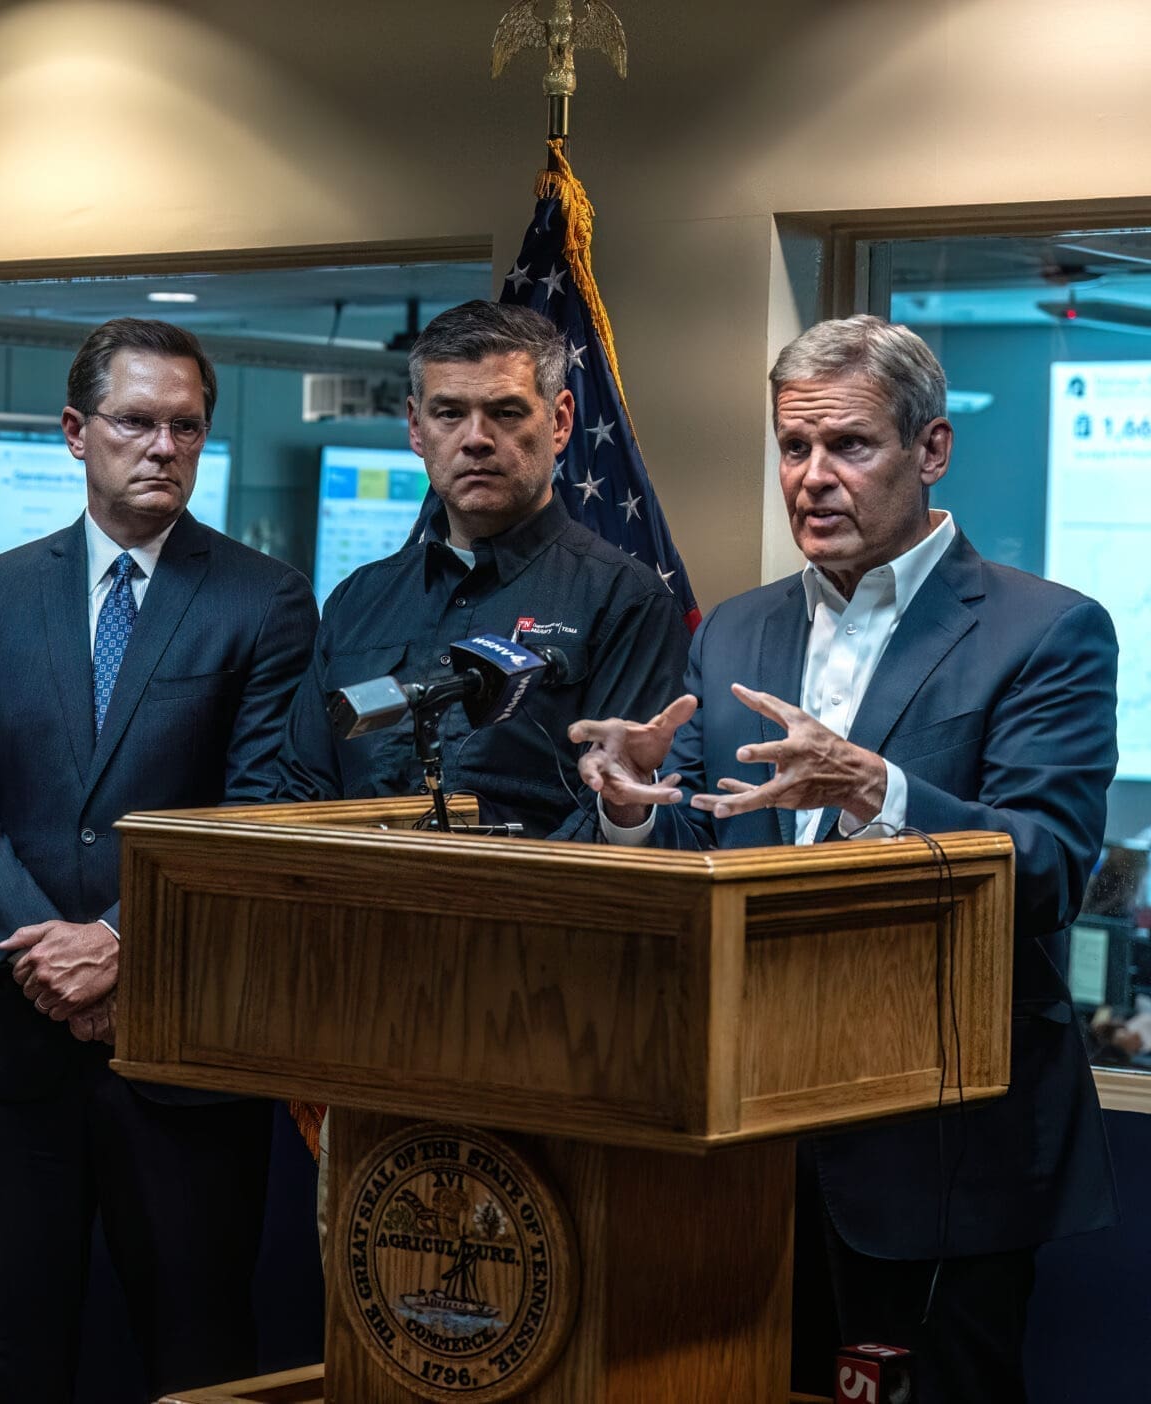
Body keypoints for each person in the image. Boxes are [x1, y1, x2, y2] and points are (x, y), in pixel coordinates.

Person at [564, 315, 1119, 1402]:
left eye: (848, 447)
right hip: (739, 1147)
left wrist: (879, 792)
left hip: (939, 1147)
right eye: (791, 448)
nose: (810, 479)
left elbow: (1048, 865)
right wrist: (633, 810)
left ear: (929, 451)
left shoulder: (1044, 630)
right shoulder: (731, 631)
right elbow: (707, 846)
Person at [0, 317, 318, 1400]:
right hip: (13, 1047)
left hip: (179, 1047)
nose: (162, 447)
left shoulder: (262, 598)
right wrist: (43, 957)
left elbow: (262, 802)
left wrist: (121, 946)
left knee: (197, 1355)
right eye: (136, 422)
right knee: (8, 1352)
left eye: (185, 427)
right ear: (73, 432)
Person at [277, 300, 687, 834]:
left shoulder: (624, 600)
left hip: (534, 905)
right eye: (449, 413)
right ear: (416, 428)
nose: (476, 438)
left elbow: (614, 806)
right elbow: (302, 790)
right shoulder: (358, 600)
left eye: (507, 412)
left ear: (560, 421)